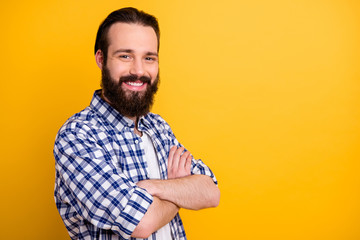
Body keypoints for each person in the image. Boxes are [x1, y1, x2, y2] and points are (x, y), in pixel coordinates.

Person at [54, 7, 220, 240]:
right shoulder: (77, 135)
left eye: (149, 58)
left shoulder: (158, 127)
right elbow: (141, 222)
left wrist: (155, 187)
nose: (139, 70)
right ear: (101, 59)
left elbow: (210, 192)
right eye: (125, 56)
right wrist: (179, 189)